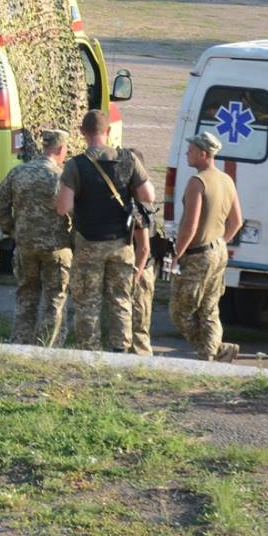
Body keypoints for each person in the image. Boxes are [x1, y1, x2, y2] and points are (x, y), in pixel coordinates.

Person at [55, 109, 157, 353]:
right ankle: (120, 351)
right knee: (121, 300)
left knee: (87, 302)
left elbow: (63, 207)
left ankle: (89, 351)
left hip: (89, 243)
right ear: (108, 131)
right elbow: (149, 197)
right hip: (122, 244)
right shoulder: (128, 160)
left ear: (83, 133)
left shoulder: (76, 165)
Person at [0, 128, 72, 347]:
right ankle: (47, 347)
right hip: (56, 248)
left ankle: (19, 344)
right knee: (55, 300)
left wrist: (14, 231)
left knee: (26, 296)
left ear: (44, 146)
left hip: (25, 246)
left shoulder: (19, 173)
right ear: (61, 148)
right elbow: (75, 213)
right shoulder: (62, 177)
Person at [170, 130, 243, 363]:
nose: (187, 153)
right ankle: (214, 353)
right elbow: (237, 221)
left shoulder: (197, 182)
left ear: (203, 154)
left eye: (191, 151)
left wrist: (175, 255)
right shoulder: (226, 180)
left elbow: (189, 227)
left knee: (181, 310)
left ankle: (210, 354)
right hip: (218, 251)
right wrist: (221, 241)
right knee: (209, 309)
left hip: (199, 254)